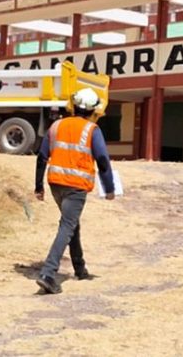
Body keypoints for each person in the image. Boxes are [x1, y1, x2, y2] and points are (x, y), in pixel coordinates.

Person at [34, 88, 116, 294]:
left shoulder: (56, 125)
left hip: (55, 184)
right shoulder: (91, 130)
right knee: (67, 226)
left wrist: (39, 186)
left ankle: (80, 269)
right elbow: (103, 159)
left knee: (72, 224)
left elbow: (42, 156)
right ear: (93, 110)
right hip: (75, 187)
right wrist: (110, 188)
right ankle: (48, 274)